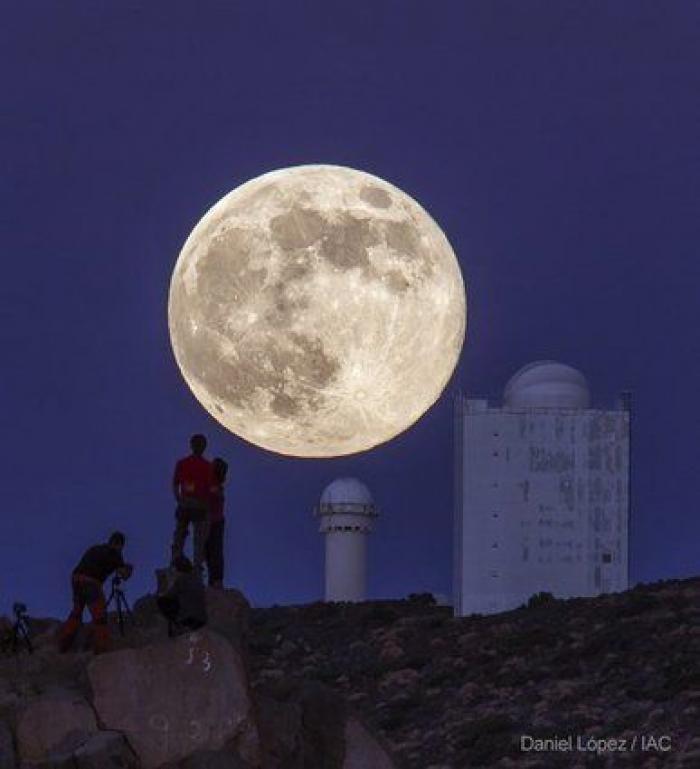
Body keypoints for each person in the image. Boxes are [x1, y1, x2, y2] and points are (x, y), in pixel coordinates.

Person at [57, 531, 133, 654]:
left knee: (76, 612)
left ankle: (63, 645)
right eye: (121, 546)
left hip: (76, 579)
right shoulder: (115, 554)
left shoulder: (96, 548)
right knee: (100, 616)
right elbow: (124, 575)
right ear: (119, 544)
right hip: (91, 582)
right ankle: (102, 650)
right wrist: (128, 569)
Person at [171, 434, 213, 577]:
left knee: (183, 534)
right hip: (197, 504)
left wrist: (179, 498)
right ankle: (193, 566)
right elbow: (210, 488)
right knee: (195, 537)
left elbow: (175, 484)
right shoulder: (207, 466)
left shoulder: (184, 463)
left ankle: (180, 562)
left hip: (190, 503)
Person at [157, 555, 207, 633]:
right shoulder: (196, 579)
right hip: (202, 620)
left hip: (188, 619)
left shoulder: (181, 579)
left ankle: (178, 627)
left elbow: (169, 595)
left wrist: (161, 592)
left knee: (162, 601)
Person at [205, 457, 228, 589]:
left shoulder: (215, 487)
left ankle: (216, 580)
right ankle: (214, 581)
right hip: (214, 520)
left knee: (213, 551)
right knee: (211, 551)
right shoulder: (216, 486)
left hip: (213, 521)